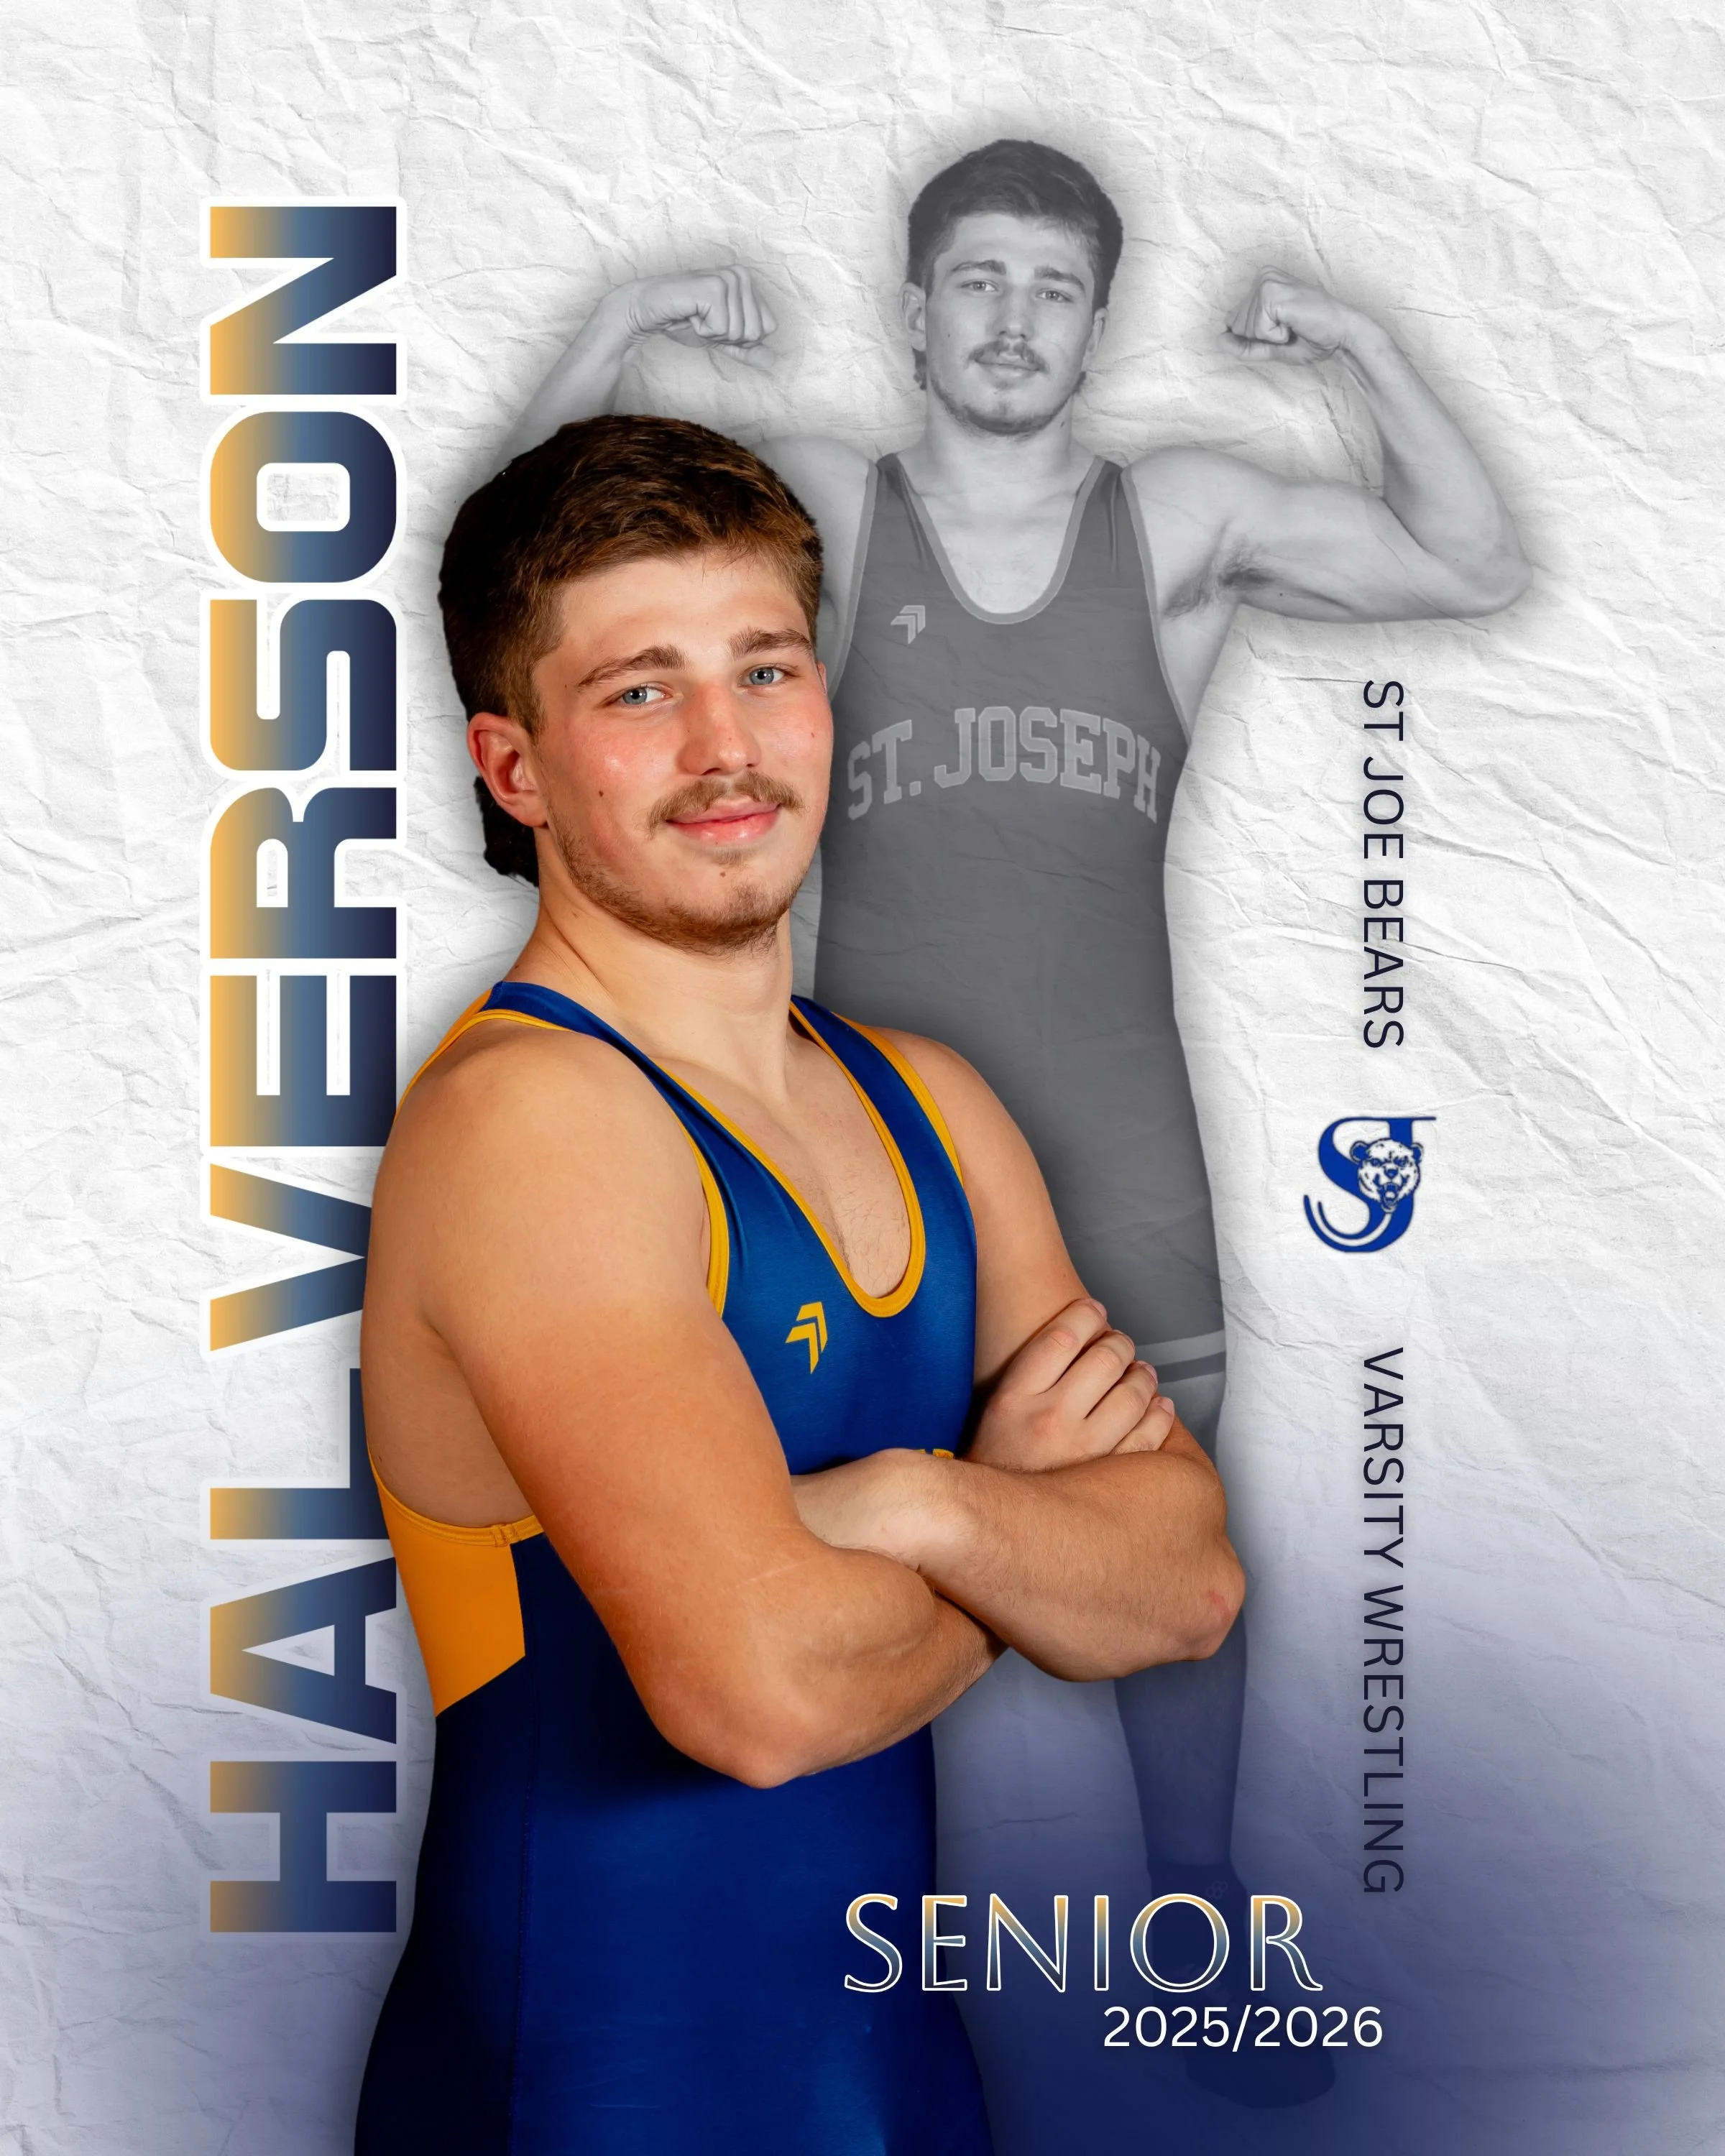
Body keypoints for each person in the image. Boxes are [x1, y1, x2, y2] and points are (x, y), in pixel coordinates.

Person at [499, 138, 1529, 1984]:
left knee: (1162, 1551)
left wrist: (1364, 348)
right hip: (860, 1161)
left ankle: (1195, 1914)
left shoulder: (1186, 516)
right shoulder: (822, 503)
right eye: (976, 280)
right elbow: (545, 553)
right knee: (831, 1551)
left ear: (1097, 326)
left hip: (1118, 1149)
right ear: (911, 313)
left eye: (1051, 289)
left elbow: (1470, 556)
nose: (1011, 317)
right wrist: (619, 323)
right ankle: (836, 1943)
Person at [353, 413, 1243, 2153]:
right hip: (585, 2100)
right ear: (514, 769)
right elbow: (759, 1696)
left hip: (898, 2092)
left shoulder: (938, 1104)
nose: (726, 746)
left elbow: (1188, 1589)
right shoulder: (528, 1128)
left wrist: (907, 1504)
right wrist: (1016, 1529)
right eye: (638, 691)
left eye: (765, 669)